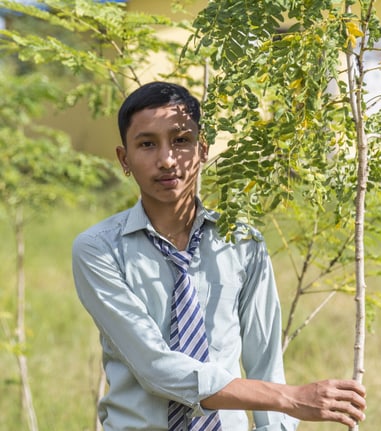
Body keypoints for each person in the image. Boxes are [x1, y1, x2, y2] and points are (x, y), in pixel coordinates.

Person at [72, 81, 366, 431]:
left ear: (203, 149)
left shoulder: (242, 243)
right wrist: (290, 398)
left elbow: (265, 363)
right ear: (124, 159)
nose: (167, 159)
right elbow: (156, 368)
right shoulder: (99, 249)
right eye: (147, 144)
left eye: (181, 141)